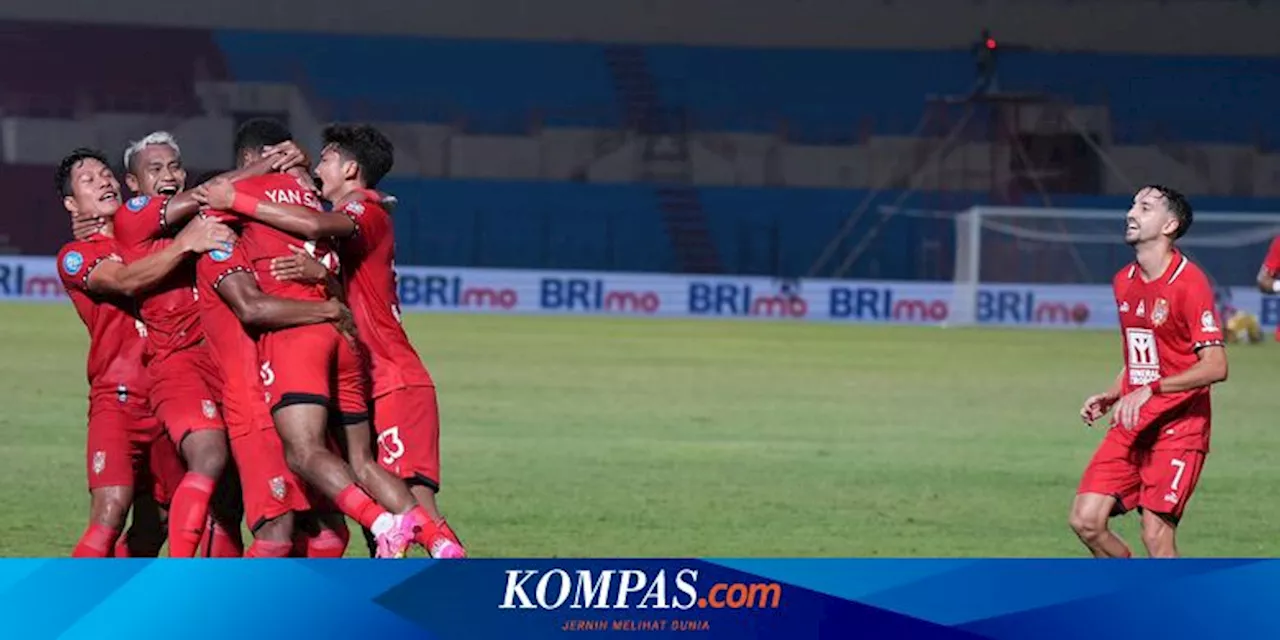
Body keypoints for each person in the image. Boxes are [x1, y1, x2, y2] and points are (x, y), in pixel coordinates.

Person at [204, 123, 466, 558]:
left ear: (350, 168)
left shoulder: (365, 209)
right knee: (367, 481)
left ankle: (462, 580)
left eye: (324, 158)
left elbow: (310, 222)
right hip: (360, 363)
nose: (314, 164)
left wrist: (235, 198)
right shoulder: (335, 221)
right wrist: (325, 276)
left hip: (391, 376)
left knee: (413, 505)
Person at [109, 131, 306, 556]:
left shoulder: (208, 223)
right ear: (133, 183)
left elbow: (257, 207)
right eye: (155, 169)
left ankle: (218, 595)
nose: (168, 175)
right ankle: (182, 578)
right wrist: (269, 161)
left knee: (229, 501)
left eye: (174, 166)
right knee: (209, 457)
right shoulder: (136, 214)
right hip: (179, 367)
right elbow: (209, 195)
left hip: (231, 370)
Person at [52, 148, 231, 556]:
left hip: (173, 393)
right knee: (110, 512)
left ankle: (135, 607)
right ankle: (64, 609)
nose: (103, 182)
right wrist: (186, 244)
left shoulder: (147, 237)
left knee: (159, 524)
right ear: (70, 203)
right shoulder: (77, 255)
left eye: (105, 175)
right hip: (118, 399)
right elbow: (127, 280)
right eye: (88, 180)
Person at [1071, 185, 1228, 558]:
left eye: (1144, 207)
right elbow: (1142, 357)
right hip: (1134, 418)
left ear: (1169, 224)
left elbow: (1217, 366)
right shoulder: (1123, 281)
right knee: (1086, 520)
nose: (1131, 214)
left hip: (1180, 426)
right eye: (1132, 206)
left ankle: (1168, 612)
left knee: (1156, 535)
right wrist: (1113, 394)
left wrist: (1152, 389)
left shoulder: (1189, 283)